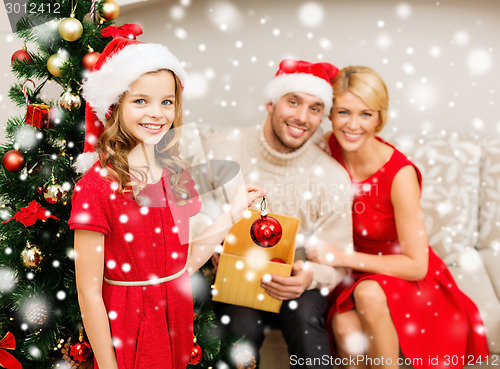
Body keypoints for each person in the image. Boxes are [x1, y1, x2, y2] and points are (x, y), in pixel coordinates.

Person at [68, 37, 264, 369]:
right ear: (116, 106)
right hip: (129, 323)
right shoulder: (96, 188)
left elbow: (185, 263)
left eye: (167, 102)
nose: (157, 114)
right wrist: (107, 366)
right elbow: (89, 293)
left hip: (175, 316)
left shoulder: (176, 174)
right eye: (141, 101)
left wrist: (233, 212)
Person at [306, 65, 489, 369]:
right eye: (343, 112)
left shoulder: (399, 174)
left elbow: (417, 265)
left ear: (380, 118)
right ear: (330, 113)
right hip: (351, 274)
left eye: (365, 114)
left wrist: (340, 256)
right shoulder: (327, 149)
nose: (352, 125)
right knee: (343, 327)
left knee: (368, 293)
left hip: (401, 273)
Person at [193, 59, 353, 368]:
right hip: (232, 277)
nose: (302, 117)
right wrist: (212, 243)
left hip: (297, 281)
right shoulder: (221, 148)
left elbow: (339, 260)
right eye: (293, 102)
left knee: (305, 320)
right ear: (270, 103)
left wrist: (312, 275)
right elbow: (186, 213)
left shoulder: (332, 176)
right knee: (238, 328)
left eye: (315, 108)